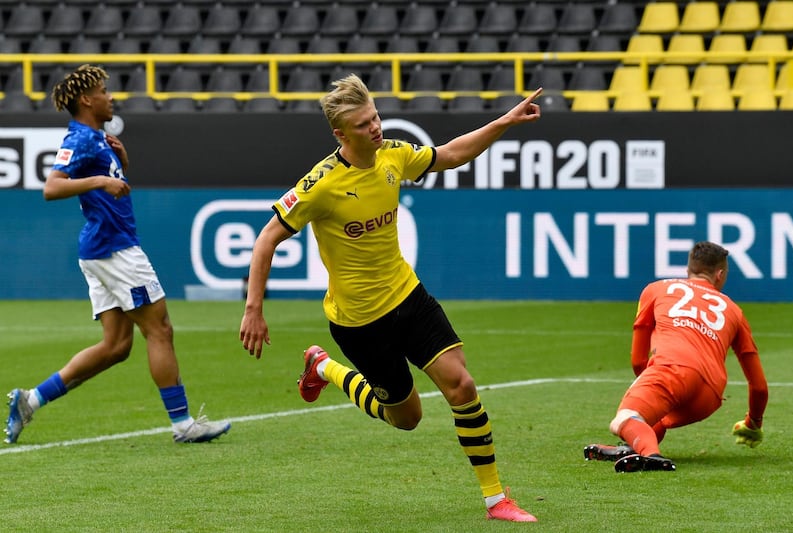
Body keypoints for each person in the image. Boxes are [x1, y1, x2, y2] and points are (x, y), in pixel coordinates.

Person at [239, 75, 543, 522]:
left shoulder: (393, 156)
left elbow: (452, 153)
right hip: (360, 322)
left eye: (376, 117)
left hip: (409, 297)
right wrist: (253, 310)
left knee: (461, 385)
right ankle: (324, 366)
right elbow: (266, 239)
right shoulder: (320, 185)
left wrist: (506, 120)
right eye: (364, 124)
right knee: (406, 418)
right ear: (340, 134)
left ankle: (496, 499)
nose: (376, 128)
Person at [4, 65, 230, 445]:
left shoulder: (97, 139)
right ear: (86, 100)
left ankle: (31, 399)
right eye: (104, 91)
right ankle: (183, 424)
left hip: (103, 248)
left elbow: (113, 191)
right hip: (115, 249)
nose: (112, 98)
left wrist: (121, 167)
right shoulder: (81, 139)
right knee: (160, 330)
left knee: (116, 347)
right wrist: (102, 179)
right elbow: (52, 187)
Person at [584, 241, 769, 472]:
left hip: (672, 370)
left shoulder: (656, 289)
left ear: (688, 269)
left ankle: (651, 456)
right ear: (720, 274)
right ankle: (632, 448)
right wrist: (753, 423)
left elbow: (638, 360)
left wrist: (656, 386)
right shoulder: (734, 310)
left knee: (623, 419)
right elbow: (759, 386)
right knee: (656, 419)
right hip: (709, 395)